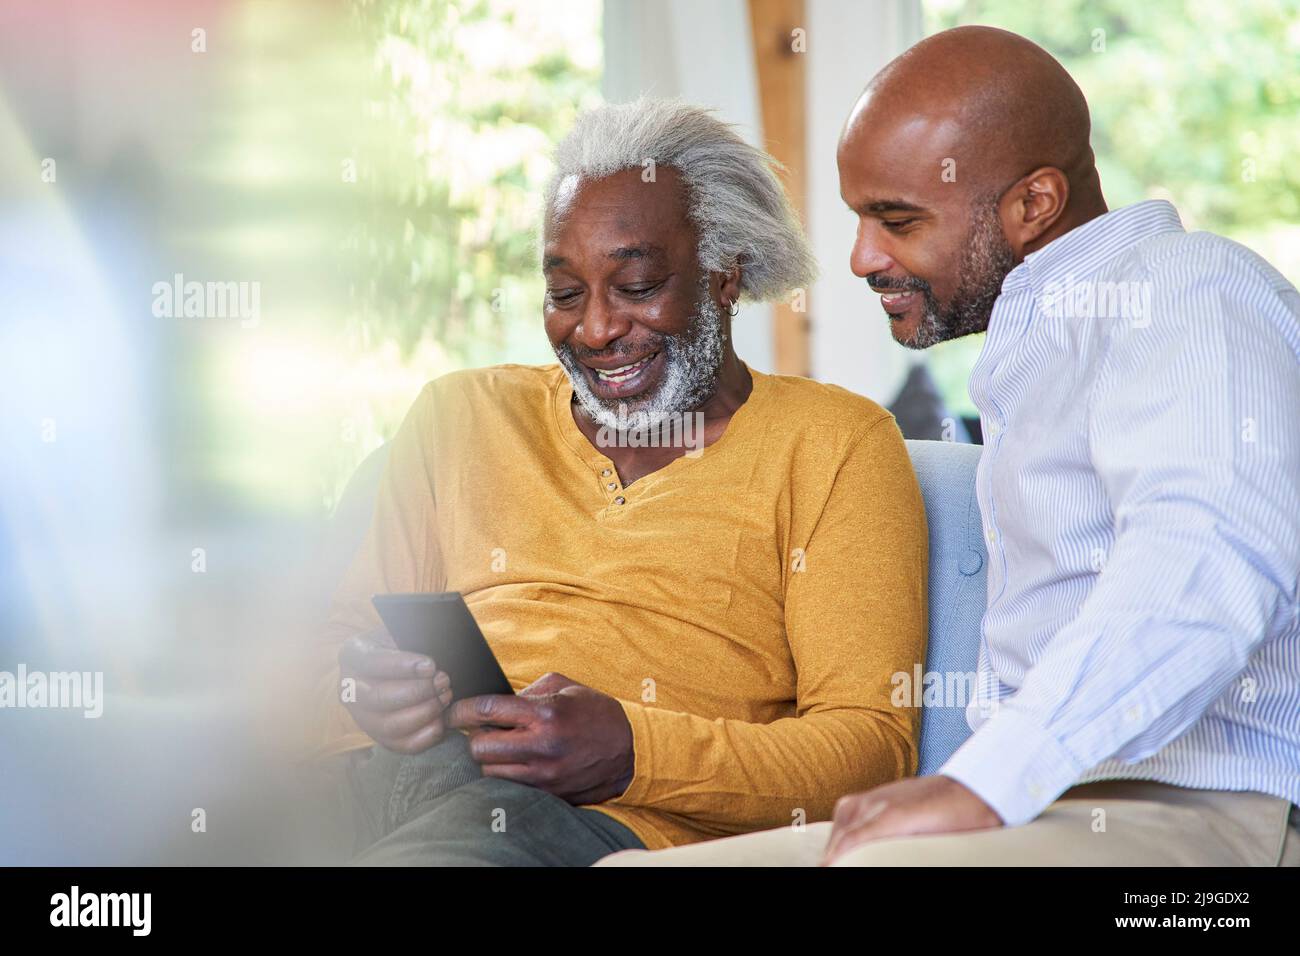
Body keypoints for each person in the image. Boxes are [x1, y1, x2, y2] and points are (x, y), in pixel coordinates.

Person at [600, 26, 1300, 867]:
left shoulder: (1186, 289)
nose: (861, 258)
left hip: (1210, 814)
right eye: (861, 219)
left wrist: (984, 782)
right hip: (1039, 809)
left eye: (897, 220)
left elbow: (1203, 560)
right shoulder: (1040, 347)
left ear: (1033, 205)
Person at [304, 100, 928, 865]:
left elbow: (869, 748)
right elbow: (330, 649)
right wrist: (360, 691)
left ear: (724, 277)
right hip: (375, 784)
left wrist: (636, 750)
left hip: (594, 824)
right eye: (565, 294)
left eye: (635, 286)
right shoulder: (460, 414)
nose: (594, 329)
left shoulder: (835, 444)